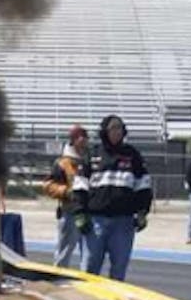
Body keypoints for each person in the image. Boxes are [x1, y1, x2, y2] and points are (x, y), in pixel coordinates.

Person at [78, 114, 152, 281]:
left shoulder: (133, 155)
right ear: (105, 131)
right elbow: (80, 186)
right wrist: (79, 214)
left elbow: (143, 186)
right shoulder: (92, 154)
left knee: (119, 270)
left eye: (120, 128)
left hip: (123, 222)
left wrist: (142, 212)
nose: (117, 131)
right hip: (95, 221)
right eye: (113, 128)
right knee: (89, 269)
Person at [42, 125, 91, 268]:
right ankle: (58, 277)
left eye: (85, 137)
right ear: (73, 140)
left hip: (89, 211)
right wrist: (66, 191)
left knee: (89, 254)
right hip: (70, 211)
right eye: (79, 137)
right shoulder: (63, 163)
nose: (83, 140)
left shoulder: (90, 161)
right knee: (64, 252)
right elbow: (48, 185)